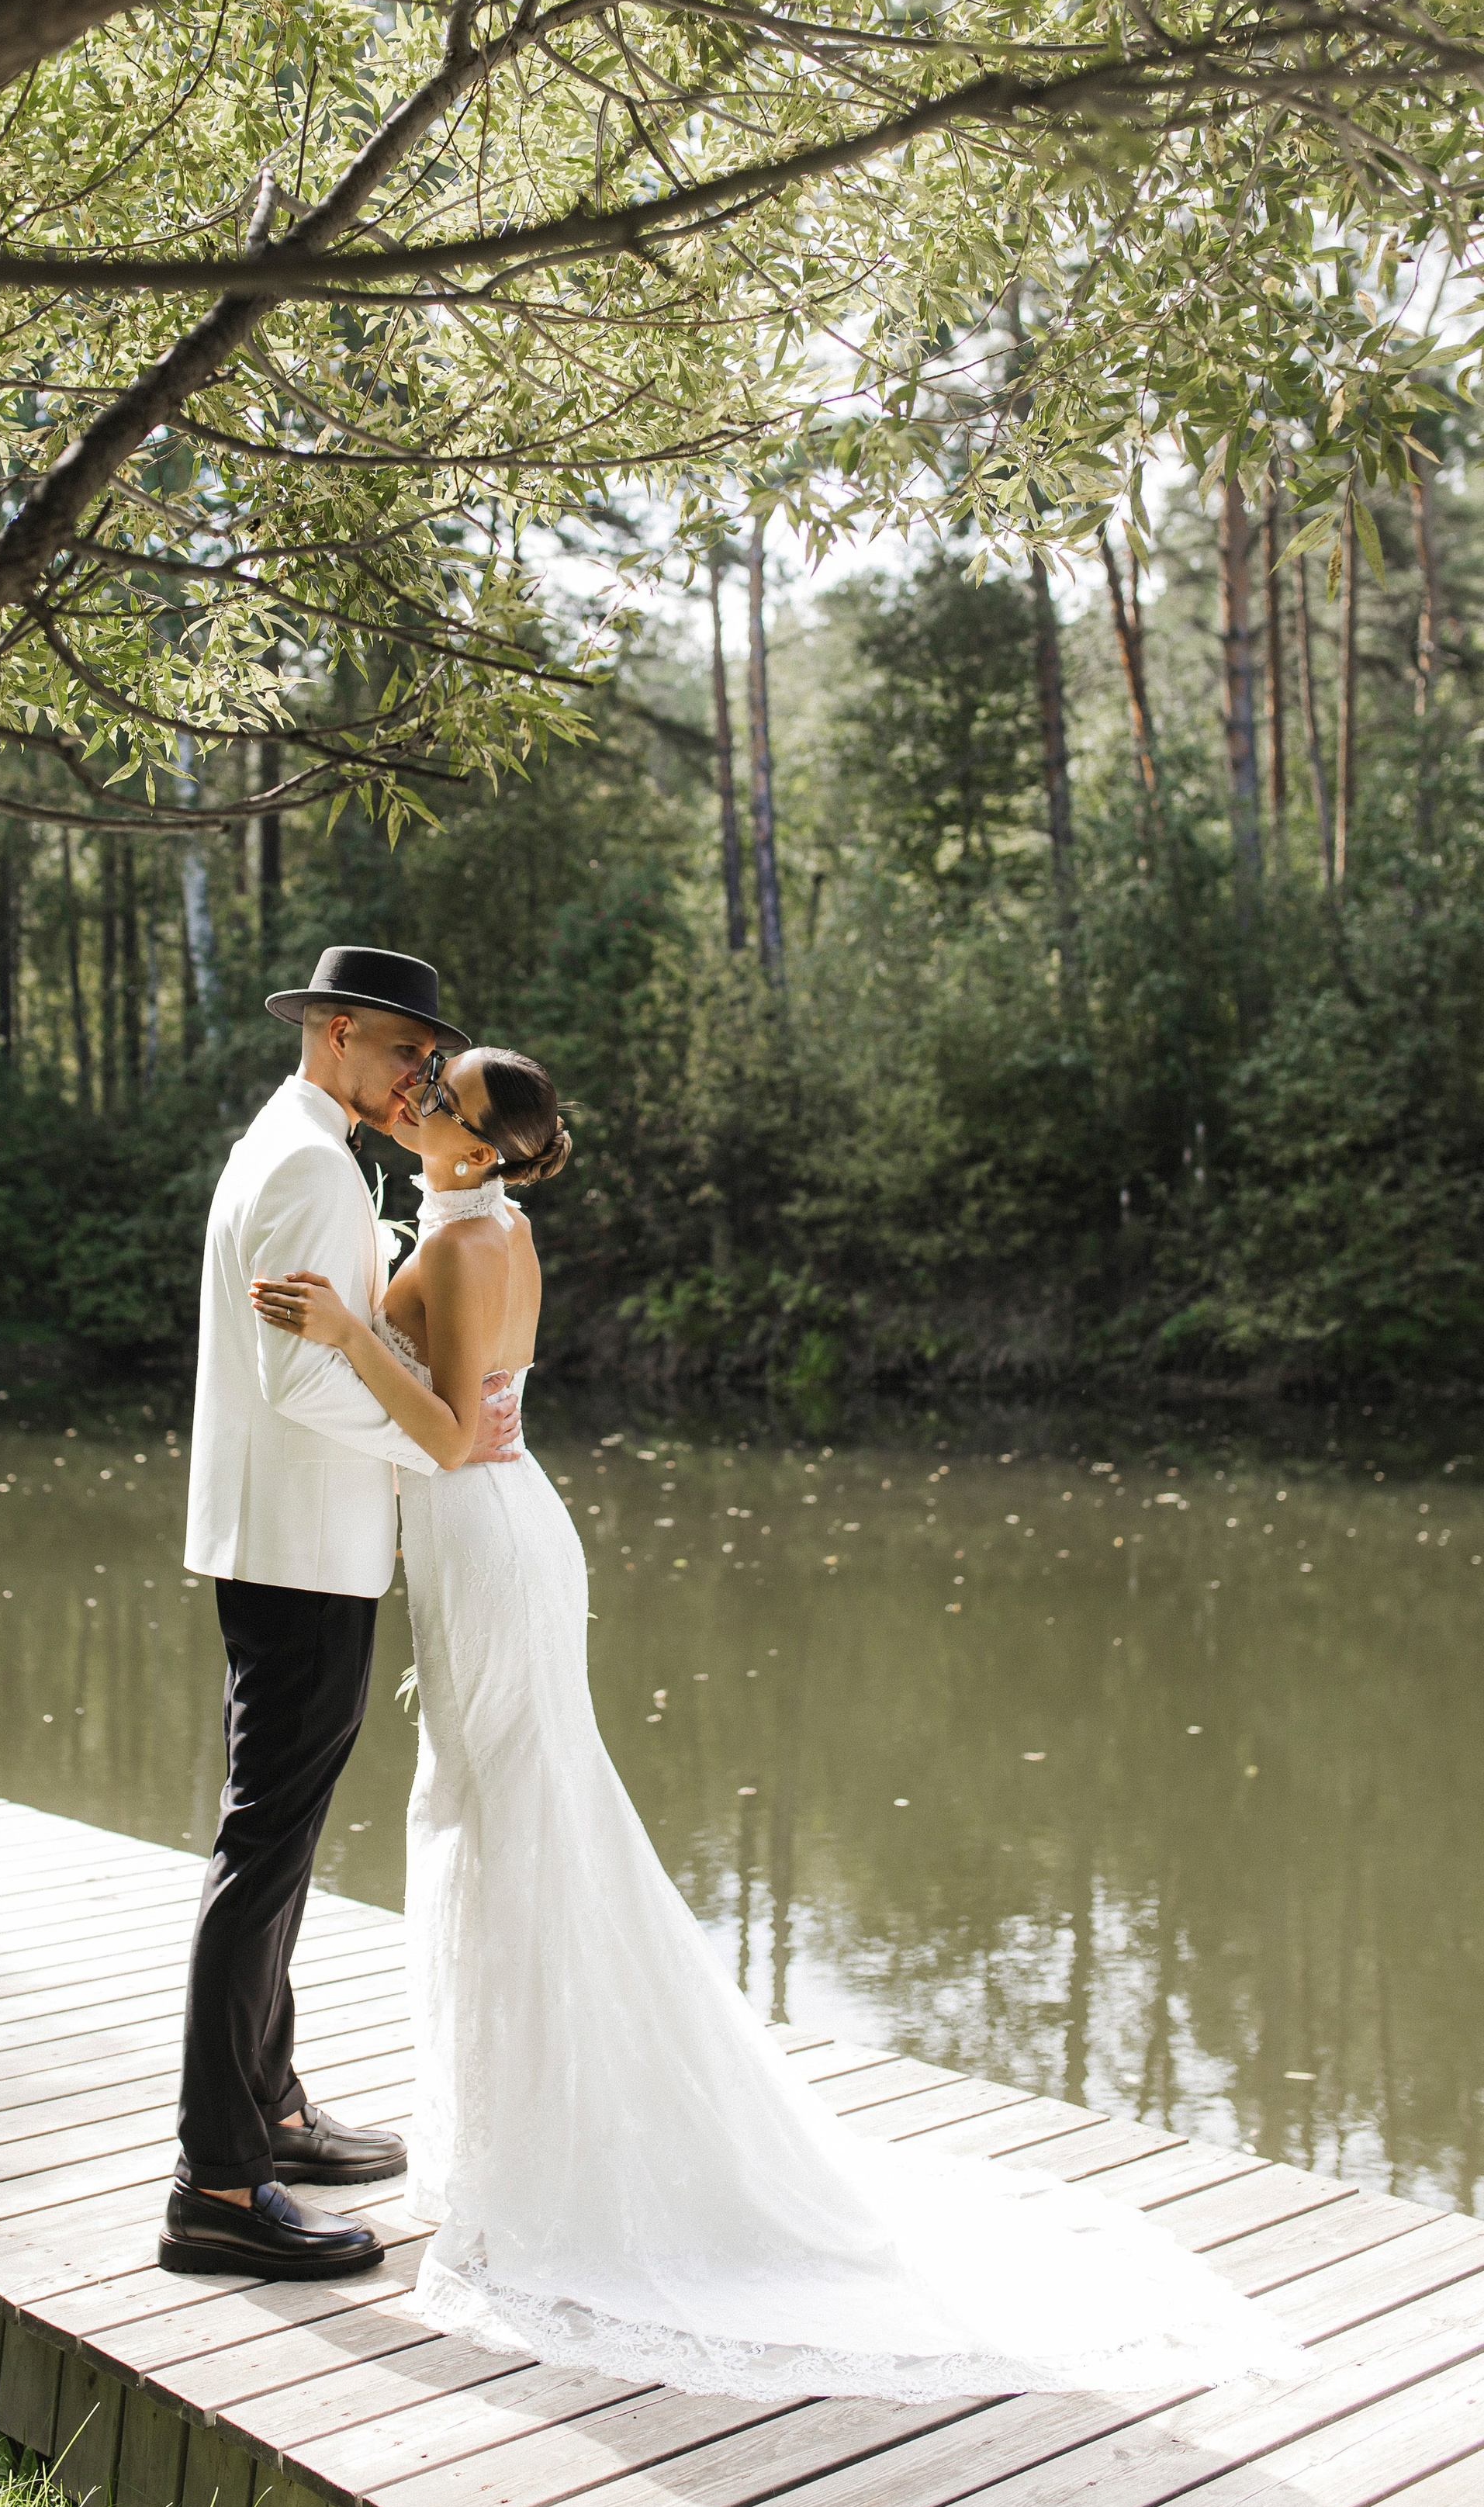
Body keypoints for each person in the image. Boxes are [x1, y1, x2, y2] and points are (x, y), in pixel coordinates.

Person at [251, 1044, 1302, 2401]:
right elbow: (422, 1361)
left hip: (490, 1529)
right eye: (426, 1086)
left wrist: (341, 1333)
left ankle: (549, 2166)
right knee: (505, 1815)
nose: (416, 1104)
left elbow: (448, 1434)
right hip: (504, 1539)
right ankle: (527, 2140)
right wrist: (354, 1312)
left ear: (485, 1150)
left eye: (438, 1104)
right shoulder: (482, 1224)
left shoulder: (466, 1243)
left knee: (511, 1821)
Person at [163, 944, 506, 2287]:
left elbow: (322, 1339)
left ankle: (275, 2112)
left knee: (280, 1839)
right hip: (302, 1544)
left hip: (289, 1539)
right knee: (265, 1846)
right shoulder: (308, 1165)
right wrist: (432, 1442)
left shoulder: (302, 1144)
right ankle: (219, 2181)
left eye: (429, 1059)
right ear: (340, 1033)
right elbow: (302, 1383)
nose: (422, 1073)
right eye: (408, 1051)